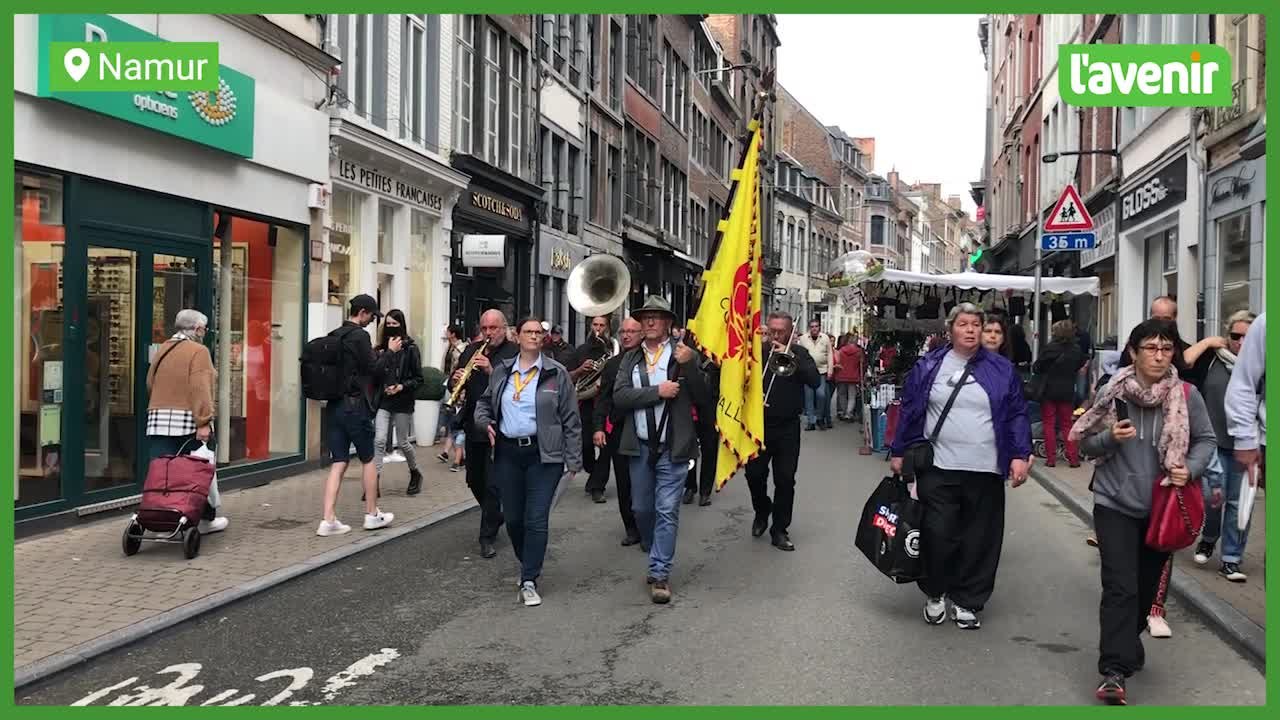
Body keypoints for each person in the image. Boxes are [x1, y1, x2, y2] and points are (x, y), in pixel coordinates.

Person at [1070, 318, 1217, 706]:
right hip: (1115, 503)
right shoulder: (1112, 392)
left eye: (1166, 348)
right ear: (1133, 353)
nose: (1159, 355)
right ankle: (1114, 671)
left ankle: (1127, 644)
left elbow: (1206, 440)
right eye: (1150, 348)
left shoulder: (1187, 394)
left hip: (1163, 507)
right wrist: (1110, 437)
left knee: (1145, 589)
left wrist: (1191, 468)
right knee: (1120, 586)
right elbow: (1085, 444)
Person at [889, 303, 1032, 630]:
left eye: (976, 325)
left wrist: (1020, 454)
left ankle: (968, 600)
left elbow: (1016, 413)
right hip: (939, 466)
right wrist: (899, 450)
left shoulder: (1000, 369)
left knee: (979, 538)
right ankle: (935, 592)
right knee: (937, 533)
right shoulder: (930, 365)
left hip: (985, 469)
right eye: (963, 324)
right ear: (950, 329)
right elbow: (911, 409)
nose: (970, 330)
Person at [475, 317, 582, 607]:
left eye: (538, 332)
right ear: (517, 336)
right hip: (508, 454)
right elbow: (484, 403)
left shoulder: (556, 373)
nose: (534, 336)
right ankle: (529, 563)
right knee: (513, 519)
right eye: (528, 332)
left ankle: (529, 579)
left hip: (543, 455)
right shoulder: (502, 371)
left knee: (536, 518)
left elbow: (571, 418)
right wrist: (484, 423)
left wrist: (573, 461)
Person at [612, 296, 708, 604]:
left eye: (657, 316)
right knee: (642, 509)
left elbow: (704, 396)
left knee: (667, 510)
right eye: (646, 317)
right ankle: (656, 550)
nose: (650, 321)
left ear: (668, 322)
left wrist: (690, 365)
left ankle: (660, 573)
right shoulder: (630, 358)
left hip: (673, 448)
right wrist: (658, 392)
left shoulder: (682, 354)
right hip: (640, 447)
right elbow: (620, 397)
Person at [317, 295, 394, 536]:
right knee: (368, 458)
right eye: (371, 316)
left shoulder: (335, 334)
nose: (372, 321)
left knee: (339, 461)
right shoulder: (360, 336)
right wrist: (389, 353)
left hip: (334, 406)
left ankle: (328, 519)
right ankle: (372, 514)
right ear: (362, 312)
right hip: (354, 406)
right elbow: (374, 369)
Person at [145, 309, 227, 535]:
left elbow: (150, 382)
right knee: (199, 470)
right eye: (205, 329)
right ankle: (205, 518)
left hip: (158, 419)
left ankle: (163, 519)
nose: (205, 333)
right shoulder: (198, 351)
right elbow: (201, 387)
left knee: (163, 474)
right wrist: (204, 421)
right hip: (187, 422)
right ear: (198, 329)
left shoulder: (163, 348)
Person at [1188, 311, 1256, 581]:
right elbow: (1184, 363)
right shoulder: (1212, 359)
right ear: (1227, 336)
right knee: (1212, 498)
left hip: (1245, 445)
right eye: (1236, 336)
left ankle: (1231, 558)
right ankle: (1209, 537)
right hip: (1212, 443)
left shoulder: (1261, 364)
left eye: (1248, 336)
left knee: (1239, 504)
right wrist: (1206, 342)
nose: (1241, 342)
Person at [746, 312, 821, 551]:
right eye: (772, 331)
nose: (775, 336)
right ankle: (762, 510)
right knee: (754, 475)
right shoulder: (756, 352)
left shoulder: (799, 353)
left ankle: (779, 529)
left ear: (791, 333)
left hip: (788, 427)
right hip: (758, 426)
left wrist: (791, 358)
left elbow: (815, 381)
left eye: (781, 332)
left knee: (785, 479)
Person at [455, 309, 520, 558]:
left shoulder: (514, 353)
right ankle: (496, 514)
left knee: (492, 483)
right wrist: (455, 380)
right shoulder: (471, 350)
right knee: (474, 479)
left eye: (493, 328)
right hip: (473, 424)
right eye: (484, 328)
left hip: (499, 424)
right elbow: (456, 382)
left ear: (504, 328)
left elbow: (516, 388)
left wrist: (491, 371)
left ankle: (487, 536)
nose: (488, 333)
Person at [589, 318, 644, 545]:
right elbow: (603, 399)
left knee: (645, 481)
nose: (626, 335)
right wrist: (599, 428)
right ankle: (631, 528)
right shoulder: (612, 364)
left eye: (632, 331)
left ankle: (647, 524)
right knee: (624, 481)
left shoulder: (651, 360)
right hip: (620, 430)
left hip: (647, 428)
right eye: (623, 332)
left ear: (642, 334)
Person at [370, 310, 424, 495]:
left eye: (395, 324)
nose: (391, 327)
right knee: (379, 440)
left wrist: (401, 386)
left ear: (402, 325)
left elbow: (418, 378)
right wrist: (388, 353)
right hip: (384, 400)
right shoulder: (380, 349)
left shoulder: (411, 349)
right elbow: (375, 374)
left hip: (402, 401)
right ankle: (373, 482)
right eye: (388, 324)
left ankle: (415, 472)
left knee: (403, 442)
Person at [1034, 320, 1085, 468]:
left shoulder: (1049, 349)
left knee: (1048, 424)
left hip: (1049, 391)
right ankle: (1073, 458)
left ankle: (1051, 459)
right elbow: (1080, 364)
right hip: (1067, 391)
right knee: (1067, 425)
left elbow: (1037, 367)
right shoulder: (1076, 350)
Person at [572, 316, 614, 493]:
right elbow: (569, 376)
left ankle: (598, 487)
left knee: (605, 447)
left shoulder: (613, 349)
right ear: (590, 326)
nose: (598, 329)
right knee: (585, 445)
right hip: (586, 402)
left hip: (607, 402)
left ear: (608, 327)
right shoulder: (581, 350)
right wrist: (581, 370)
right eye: (595, 325)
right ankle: (593, 472)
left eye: (602, 325)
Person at [684, 344, 721, 506]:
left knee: (710, 449)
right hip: (691, 405)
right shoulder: (690, 347)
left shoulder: (721, 348)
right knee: (688, 449)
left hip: (712, 405)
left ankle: (705, 491)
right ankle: (690, 486)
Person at [436, 324, 466, 458]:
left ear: (453, 334)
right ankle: (451, 452)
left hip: (455, 383)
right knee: (448, 412)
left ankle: (456, 453)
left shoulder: (461, 348)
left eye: (447, 331)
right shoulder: (449, 347)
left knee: (452, 413)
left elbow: (459, 365)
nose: (445, 334)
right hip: (447, 381)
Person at [797, 319, 833, 431]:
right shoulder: (803, 339)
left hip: (821, 371)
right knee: (809, 397)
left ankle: (820, 418)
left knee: (821, 395)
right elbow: (799, 354)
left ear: (819, 327)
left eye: (816, 326)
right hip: (807, 372)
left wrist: (830, 369)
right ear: (809, 328)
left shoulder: (825, 338)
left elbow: (830, 354)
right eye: (812, 326)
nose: (814, 328)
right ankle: (811, 422)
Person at [831, 333, 864, 423]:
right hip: (853, 377)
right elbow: (862, 363)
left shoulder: (841, 351)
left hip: (841, 376)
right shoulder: (859, 351)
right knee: (852, 396)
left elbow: (837, 362)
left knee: (842, 395)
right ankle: (849, 414)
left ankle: (844, 411)